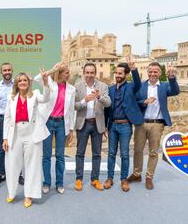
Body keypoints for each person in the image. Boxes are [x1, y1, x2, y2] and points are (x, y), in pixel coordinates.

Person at [127, 62, 180, 189]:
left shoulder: (164, 86)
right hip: (141, 123)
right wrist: (144, 102)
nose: (152, 74)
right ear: (147, 72)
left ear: (160, 73)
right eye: (150, 71)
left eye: (155, 71)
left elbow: (175, 91)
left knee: (153, 152)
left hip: (157, 124)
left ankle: (149, 177)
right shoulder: (141, 86)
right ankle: (137, 174)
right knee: (138, 150)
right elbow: (133, 101)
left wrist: (171, 77)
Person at [3, 71, 50, 208]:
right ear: (16, 84)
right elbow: (7, 118)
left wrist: (45, 83)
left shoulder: (35, 94)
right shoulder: (11, 97)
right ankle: (11, 192)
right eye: (20, 81)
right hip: (15, 133)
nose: (22, 82)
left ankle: (28, 195)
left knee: (32, 165)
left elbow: (46, 98)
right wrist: (5, 138)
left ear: (28, 83)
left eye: (25, 80)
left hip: (32, 134)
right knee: (12, 164)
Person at [34, 62, 75, 194]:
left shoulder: (71, 89)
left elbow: (71, 110)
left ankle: (59, 183)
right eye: (66, 72)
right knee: (46, 155)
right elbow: (36, 79)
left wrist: (71, 130)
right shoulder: (50, 83)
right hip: (48, 122)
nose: (69, 75)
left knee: (60, 155)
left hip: (62, 123)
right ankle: (46, 182)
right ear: (60, 73)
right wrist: (52, 69)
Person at [104, 58, 144, 192]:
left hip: (125, 126)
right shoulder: (110, 89)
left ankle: (123, 179)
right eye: (116, 73)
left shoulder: (131, 87)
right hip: (112, 126)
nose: (117, 75)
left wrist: (134, 70)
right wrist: (105, 126)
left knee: (125, 154)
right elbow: (106, 109)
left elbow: (138, 84)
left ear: (126, 75)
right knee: (111, 153)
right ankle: (109, 178)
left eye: (120, 73)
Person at [74, 63, 111, 191]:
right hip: (83, 123)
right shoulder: (77, 87)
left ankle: (95, 179)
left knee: (97, 154)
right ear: (84, 73)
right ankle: (79, 179)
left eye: (92, 73)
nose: (89, 75)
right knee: (80, 153)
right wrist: (85, 100)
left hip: (97, 124)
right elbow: (74, 106)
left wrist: (99, 96)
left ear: (95, 74)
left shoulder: (103, 86)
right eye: (87, 72)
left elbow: (108, 103)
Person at [0, 63, 24, 185]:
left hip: (17, 119)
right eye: (5, 70)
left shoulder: (18, 85)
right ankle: (3, 174)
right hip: (2, 119)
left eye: (9, 70)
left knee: (17, 147)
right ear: (1, 72)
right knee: (2, 148)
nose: (7, 72)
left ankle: (18, 174)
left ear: (12, 71)